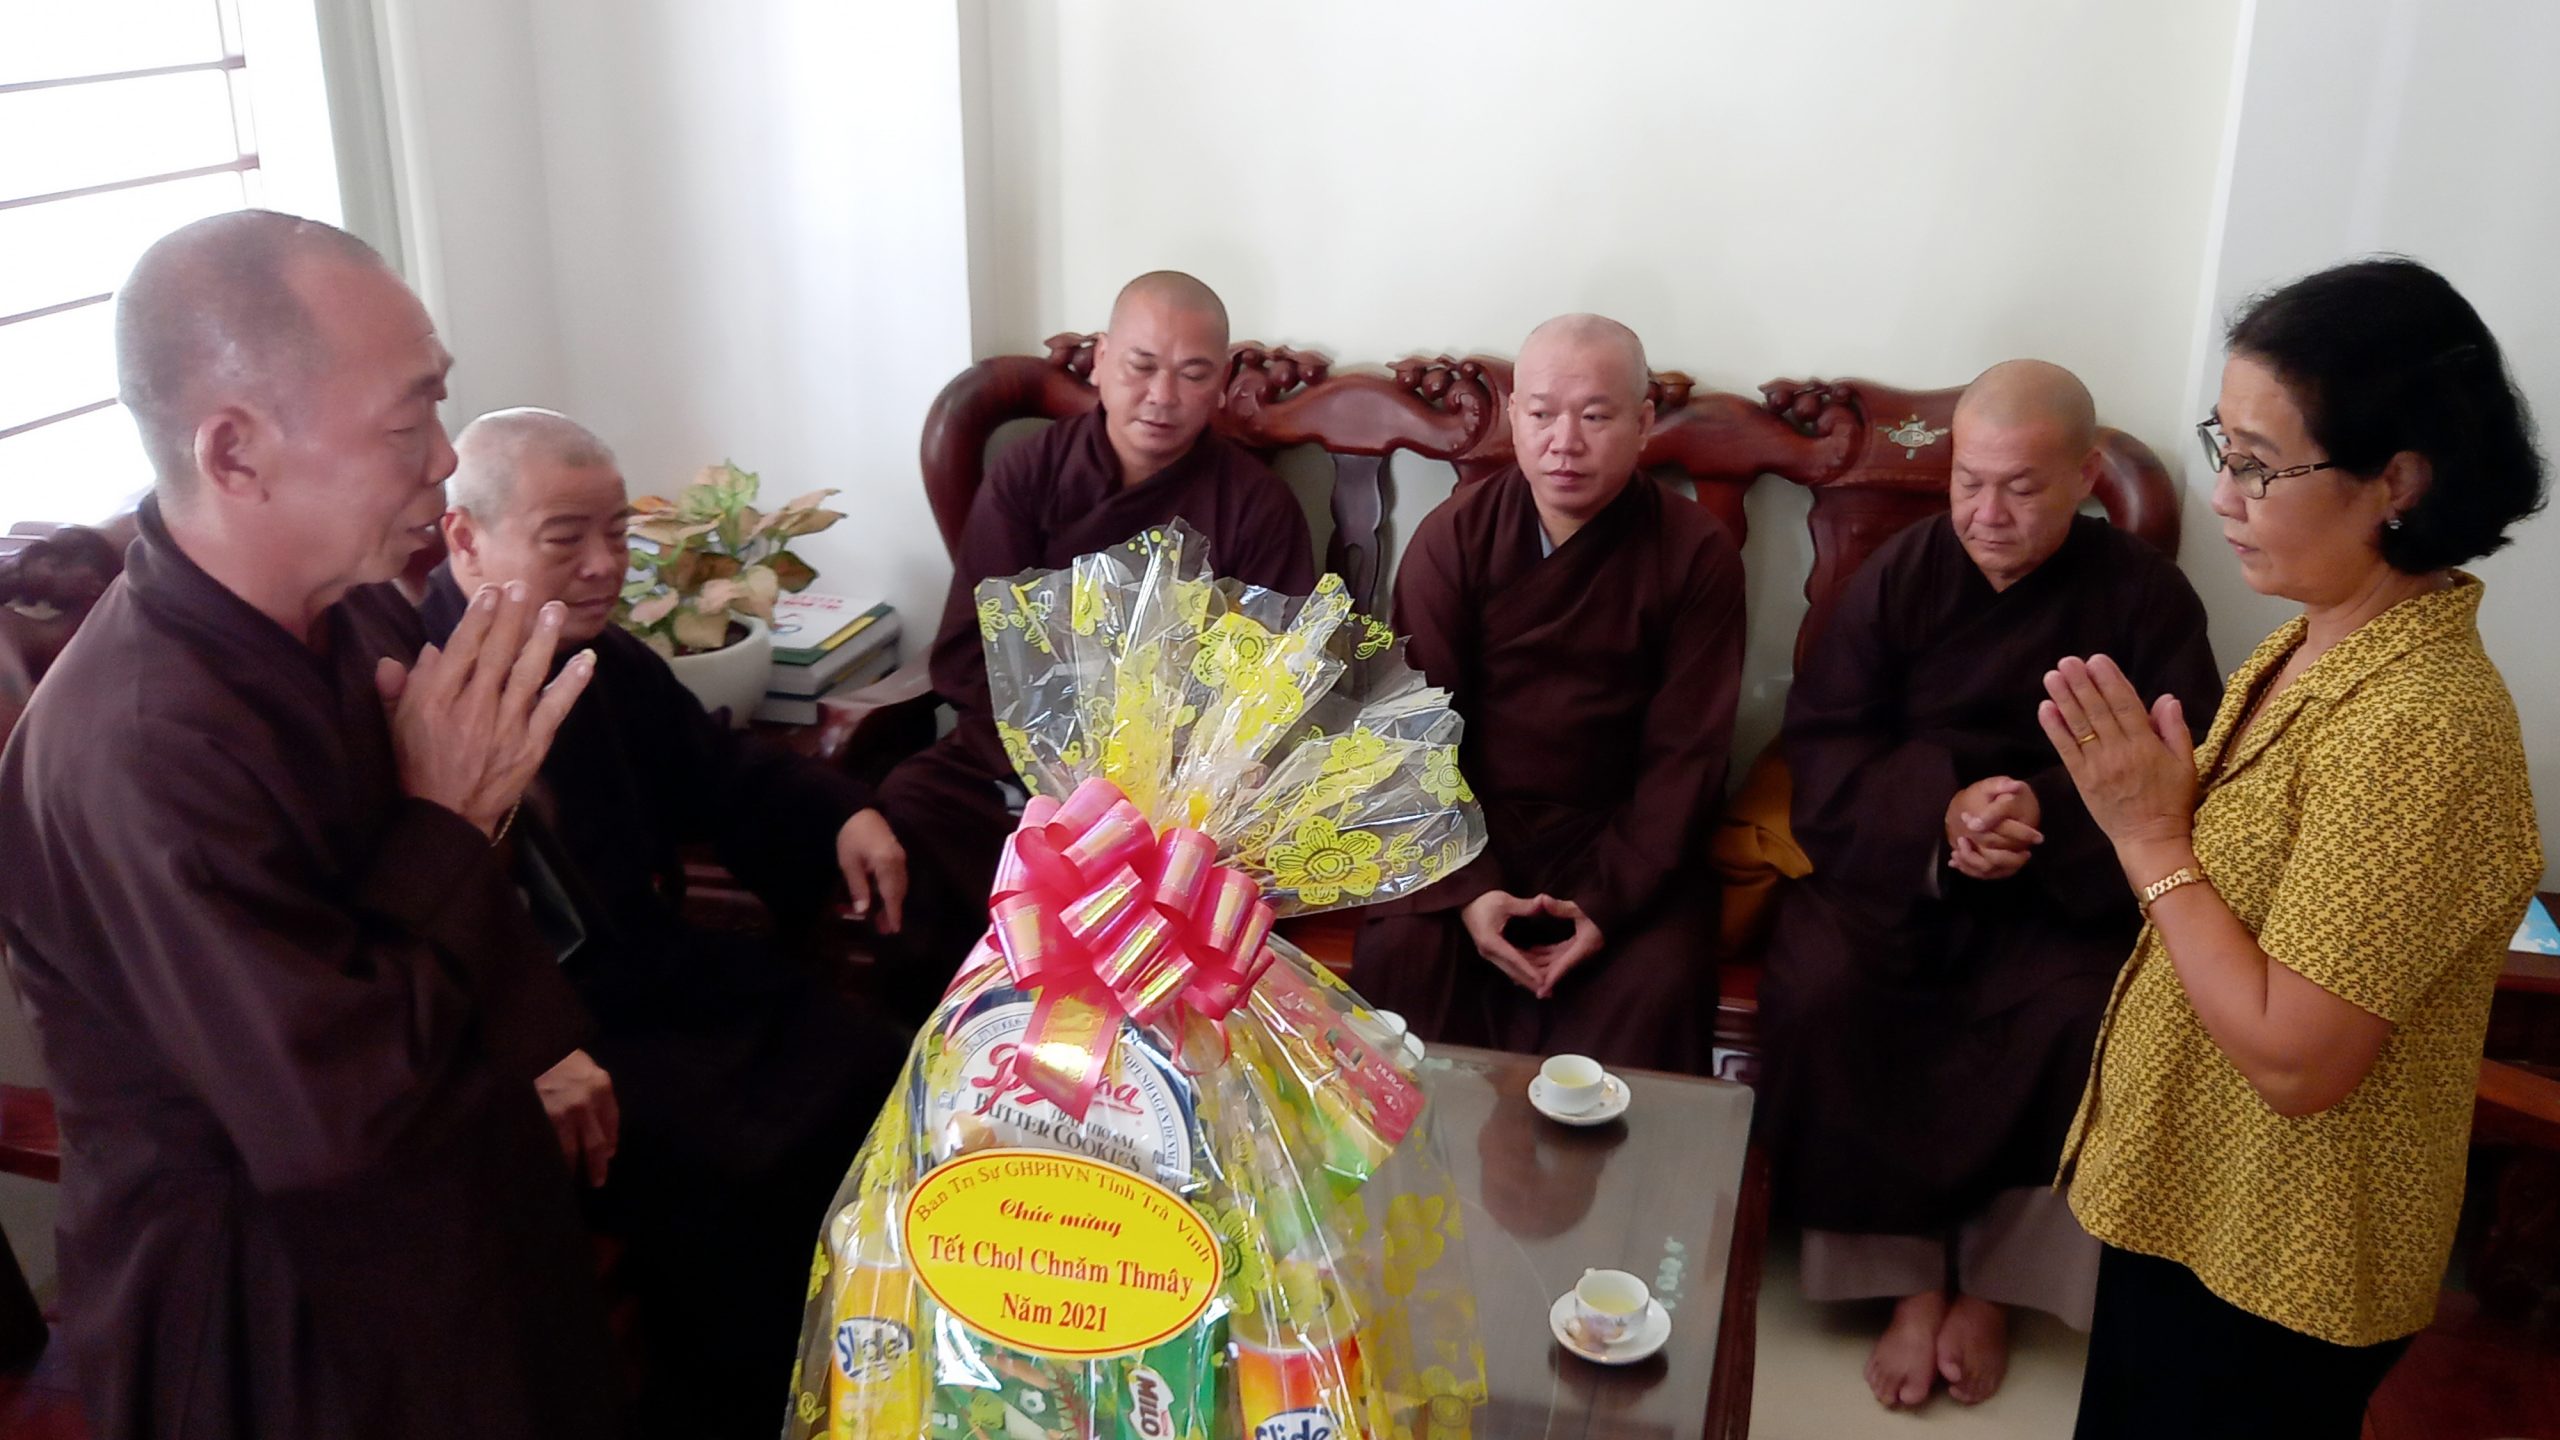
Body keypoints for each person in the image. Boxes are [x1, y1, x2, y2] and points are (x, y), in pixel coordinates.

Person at [0, 212, 621, 1438]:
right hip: (282, 1311)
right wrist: (452, 817)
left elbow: (458, 886)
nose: (444, 460)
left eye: (438, 402)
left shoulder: (353, 613)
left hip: (459, 1187)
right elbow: (330, 1125)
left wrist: (532, 1041)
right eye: (406, 421)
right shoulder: (141, 749)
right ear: (234, 453)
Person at [2045, 258, 2545, 1438]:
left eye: (2259, 466)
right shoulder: (2315, 641)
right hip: (2198, 1199)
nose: (2222, 494)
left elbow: (2296, 1060)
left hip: (2284, 1257)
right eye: (2223, 448)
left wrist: (2149, 836)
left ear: (2397, 483)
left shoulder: (2418, 726)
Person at [429, 408, 911, 1438]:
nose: (605, 565)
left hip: (652, 971)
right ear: (464, 539)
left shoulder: (599, 655)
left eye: (617, 532)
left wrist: (842, 812)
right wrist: (526, 1042)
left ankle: (871, 1364)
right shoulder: (422, 688)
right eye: (566, 538)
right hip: (549, 1029)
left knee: (876, 1062)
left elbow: (715, 767)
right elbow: (429, 917)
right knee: (735, 1172)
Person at [1755, 361, 2223, 1408]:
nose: (1987, 513)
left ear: (2085, 477)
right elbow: (1826, 737)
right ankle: (1905, 1279)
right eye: (1969, 482)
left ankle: (1998, 1289)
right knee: (1824, 985)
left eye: (2020, 487)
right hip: (1899, 869)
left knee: (2082, 1010)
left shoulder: (2144, 597)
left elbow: (2184, 760)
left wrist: (2036, 820)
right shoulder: (1900, 574)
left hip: (2069, 881)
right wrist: (1942, 817)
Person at [862, 271, 1315, 1019]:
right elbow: (973, 650)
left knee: (1199, 877)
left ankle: (1133, 1056)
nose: (1161, 396)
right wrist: (1057, 776)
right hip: (1020, 771)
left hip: (1170, 801)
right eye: (1141, 366)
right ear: (1101, 361)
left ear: (1222, 383)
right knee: (914, 804)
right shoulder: (1028, 476)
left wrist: (1141, 789)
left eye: (1192, 373)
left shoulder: (1255, 506)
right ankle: (955, 1041)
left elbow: (1267, 685)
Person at [1348, 314, 1745, 1072]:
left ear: (1643, 424)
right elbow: (1414, 732)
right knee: (1405, 957)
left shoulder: (1697, 553)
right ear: (1512, 417)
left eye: (1595, 417)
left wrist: (1609, 902)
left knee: (1657, 988)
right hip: (1469, 833)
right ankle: (1413, 1156)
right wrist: (1472, 890)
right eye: (1541, 414)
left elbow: (1688, 755)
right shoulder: (1453, 539)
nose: (1565, 442)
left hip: (1626, 842)